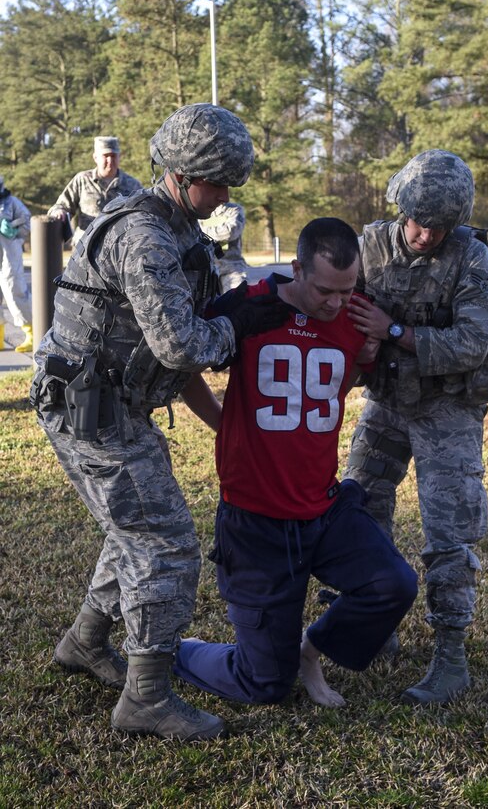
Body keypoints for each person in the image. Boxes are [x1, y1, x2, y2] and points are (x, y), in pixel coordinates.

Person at [30, 103, 289, 742]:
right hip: (92, 412)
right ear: (179, 172)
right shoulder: (144, 236)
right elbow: (182, 347)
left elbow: (171, 363)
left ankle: (85, 643)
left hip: (115, 405)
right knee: (164, 539)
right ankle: (145, 698)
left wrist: (227, 423)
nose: (226, 194)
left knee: (136, 525)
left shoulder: (180, 232)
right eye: (217, 181)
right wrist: (237, 327)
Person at [173, 217, 418, 708]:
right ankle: (171, 651)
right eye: (325, 290)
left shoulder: (355, 315)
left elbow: (342, 378)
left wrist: (369, 345)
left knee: (394, 583)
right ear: (297, 268)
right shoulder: (249, 304)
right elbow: (181, 366)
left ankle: (313, 647)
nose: (335, 303)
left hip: (322, 506)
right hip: (256, 519)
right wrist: (227, 425)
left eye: (346, 291)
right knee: (264, 685)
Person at [342, 149, 488, 705]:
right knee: (359, 506)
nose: (425, 234)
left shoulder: (474, 259)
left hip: (447, 408)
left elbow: (470, 344)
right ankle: (376, 619)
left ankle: (451, 657)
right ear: (400, 207)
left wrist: (393, 331)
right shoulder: (369, 247)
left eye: (439, 226)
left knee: (448, 530)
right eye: (417, 220)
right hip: (387, 400)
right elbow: (337, 308)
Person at [48, 135, 141, 244]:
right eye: (105, 156)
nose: (110, 160)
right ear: (95, 157)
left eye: (113, 155)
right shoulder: (82, 180)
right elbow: (61, 206)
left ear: (119, 157)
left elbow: (143, 215)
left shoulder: (133, 185)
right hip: (85, 248)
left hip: (120, 248)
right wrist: (59, 212)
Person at [0, 176, 33, 353]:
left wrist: (14, 229)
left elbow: (28, 221)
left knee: (15, 290)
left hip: (8, 255)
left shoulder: (11, 202)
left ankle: (32, 333)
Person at [199, 200, 248, 293]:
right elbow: (192, 231)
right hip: (207, 270)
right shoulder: (200, 211)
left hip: (232, 268)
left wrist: (202, 232)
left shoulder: (234, 210)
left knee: (237, 301)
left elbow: (230, 232)